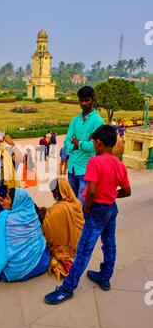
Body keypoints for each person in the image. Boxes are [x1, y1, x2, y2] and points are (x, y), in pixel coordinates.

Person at [44, 125, 131, 305]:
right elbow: (127, 191)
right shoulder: (119, 164)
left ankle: (67, 288)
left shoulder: (95, 162)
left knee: (84, 249)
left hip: (97, 209)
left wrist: (87, 207)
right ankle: (105, 276)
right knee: (109, 243)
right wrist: (112, 195)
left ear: (98, 143)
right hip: (111, 208)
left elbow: (91, 190)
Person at [0, 188, 50, 283]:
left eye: (8, 198)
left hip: (15, 272)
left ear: (16, 202)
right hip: (40, 265)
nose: (4, 200)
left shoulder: (3, 219)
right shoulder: (32, 214)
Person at [64, 86, 104, 203]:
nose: (83, 103)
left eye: (86, 100)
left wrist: (78, 143)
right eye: (81, 100)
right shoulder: (75, 120)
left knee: (82, 204)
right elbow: (66, 143)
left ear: (93, 100)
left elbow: (93, 146)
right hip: (72, 167)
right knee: (72, 201)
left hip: (86, 169)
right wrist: (77, 145)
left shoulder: (98, 121)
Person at [40, 178, 84, 281]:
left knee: (44, 226)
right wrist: (48, 210)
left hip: (66, 248)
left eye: (53, 192)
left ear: (58, 191)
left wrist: (45, 215)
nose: (53, 195)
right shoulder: (76, 202)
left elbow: (49, 222)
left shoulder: (60, 208)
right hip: (79, 241)